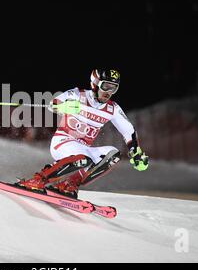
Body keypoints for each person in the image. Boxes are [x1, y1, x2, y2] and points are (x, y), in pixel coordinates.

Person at [16, 68, 149, 199]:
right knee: (84, 159)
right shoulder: (78, 95)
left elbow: (128, 131)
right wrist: (63, 107)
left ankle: (69, 184)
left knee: (113, 155)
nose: (108, 92)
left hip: (83, 149)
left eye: (113, 88)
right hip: (63, 143)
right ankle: (38, 179)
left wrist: (135, 151)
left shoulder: (112, 108)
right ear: (95, 84)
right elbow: (53, 103)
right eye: (106, 86)